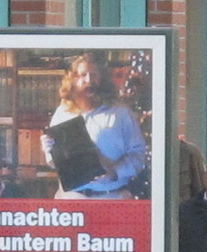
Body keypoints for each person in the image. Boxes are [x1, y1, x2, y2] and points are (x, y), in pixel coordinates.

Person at [42, 53, 148, 197]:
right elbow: (55, 162)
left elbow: (139, 155)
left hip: (112, 196)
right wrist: (49, 148)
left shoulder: (121, 113)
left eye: (94, 75)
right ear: (73, 80)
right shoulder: (63, 112)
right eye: (83, 75)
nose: (89, 80)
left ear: (102, 79)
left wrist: (115, 172)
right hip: (73, 199)